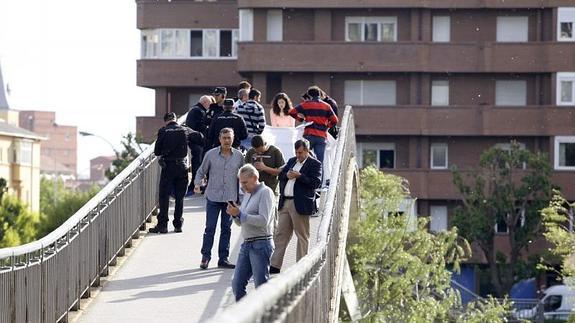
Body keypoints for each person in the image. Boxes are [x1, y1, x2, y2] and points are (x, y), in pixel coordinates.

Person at [194, 127, 245, 269]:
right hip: (213, 197)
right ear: (219, 139)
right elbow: (200, 171)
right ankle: (205, 257)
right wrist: (197, 184)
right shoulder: (210, 155)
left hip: (230, 199)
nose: (227, 141)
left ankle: (223, 258)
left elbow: (243, 178)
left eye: (229, 138)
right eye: (225, 138)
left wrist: (241, 198)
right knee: (210, 228)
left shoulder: (239, 157)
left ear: (233, 139)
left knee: (226, 229)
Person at [270, 139, 322, 274]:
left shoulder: (315, 164)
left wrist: (299, 176)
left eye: (300, 152)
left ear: (307, 150)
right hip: (285, 202)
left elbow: (316, 183)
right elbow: (281, 175)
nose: (298, 155)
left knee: (302, 236)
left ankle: (301, 267)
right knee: (281, 234)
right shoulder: (292, 160)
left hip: (300, 204)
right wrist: (286, 175)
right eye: (296, 152)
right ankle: (274, 265)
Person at [227, 164, 275, 301]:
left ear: (255, 178)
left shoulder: (265, 192)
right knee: (237, 284)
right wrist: (235, 214)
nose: (242, 186)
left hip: (261, 243)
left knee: (261, 287)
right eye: (240, 183)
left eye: (245, 182)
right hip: (247, 244)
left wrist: (241, 215)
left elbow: (263, 220)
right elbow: (242, 221)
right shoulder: (248, 194)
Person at [150, 112, 204, 234]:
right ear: (176, 119)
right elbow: (200, 138)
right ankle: (178, 224)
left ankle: (163, 225)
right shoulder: (185, 129)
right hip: (182, 167)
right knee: (180, 197)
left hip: (168, 167)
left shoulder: (163, 131)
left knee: (164, 197)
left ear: (165, 121)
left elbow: (157, 151)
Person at [289, 86, 338, 164]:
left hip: (308, 135)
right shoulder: (327, 106)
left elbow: (292, 112)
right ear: (319, 94)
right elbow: (335, 120)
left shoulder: (305, 104)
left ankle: (306, 175)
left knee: (305, 159)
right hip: (321, 136)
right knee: (319, 161)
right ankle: (318, 176)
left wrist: (301, 119)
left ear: (309, 95)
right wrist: (327, 126)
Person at [185, 95, 213, 192]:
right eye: (209, 104)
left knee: (198, 163)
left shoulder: (194, 110)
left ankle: (196, 184)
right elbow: (201, 125)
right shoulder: (199, 111)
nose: (209, 107)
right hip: (197, 141)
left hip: (194, 141)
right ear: (205, 102)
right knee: (198, 163)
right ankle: (195, 185)